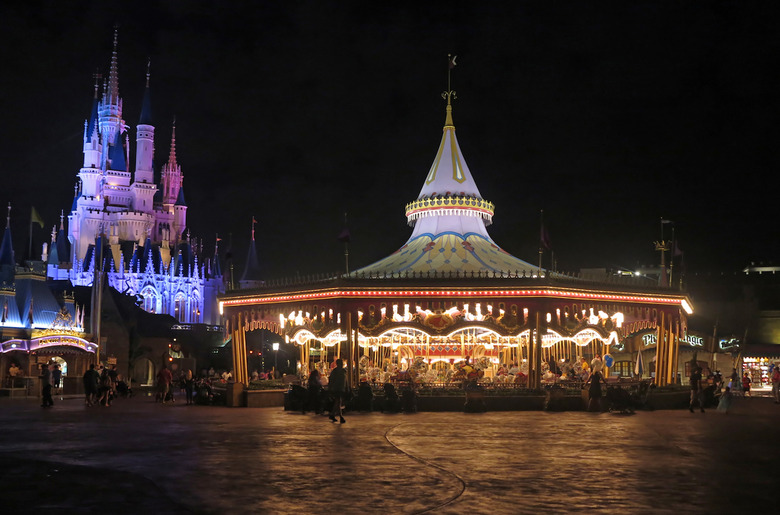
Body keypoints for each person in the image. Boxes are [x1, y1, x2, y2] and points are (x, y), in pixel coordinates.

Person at [328, 359, 347, 423]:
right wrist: (330, 387)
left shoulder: (343, 371)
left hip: (341, 388)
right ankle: (341, 417)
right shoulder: (335, 371)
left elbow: (345, 380)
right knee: (338, 401)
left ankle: (332, 414)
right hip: (336, 388)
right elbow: (331, 380)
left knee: (338, 402)